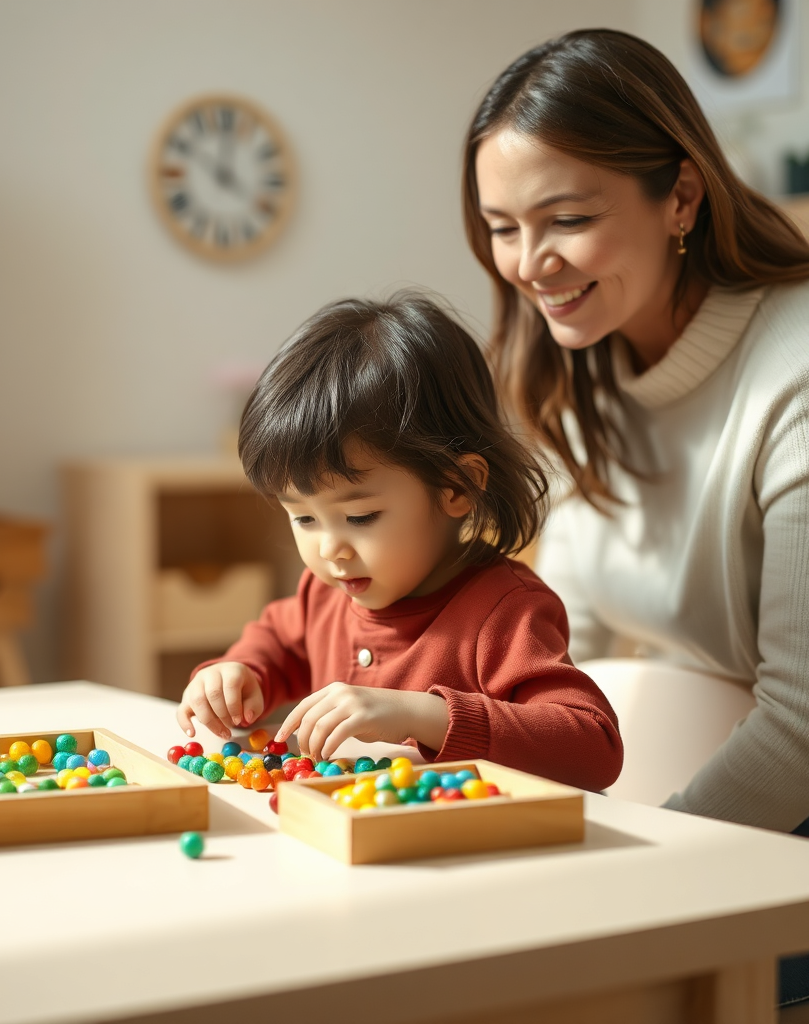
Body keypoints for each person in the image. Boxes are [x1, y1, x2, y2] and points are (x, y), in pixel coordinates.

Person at [462, 28, 809, 1005]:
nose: (528, 264)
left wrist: (640, 875)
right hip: (702, 803)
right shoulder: (586, 364)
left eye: (564, 218)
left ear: (682, 198)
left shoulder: (794, 372)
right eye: (499, 226)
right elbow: (565, 639)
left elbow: (801, 727)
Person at [176, 293, 623, 793]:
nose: (330, 549)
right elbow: (277, 643)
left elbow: (594, 747)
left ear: (456, 487)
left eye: (359, 516)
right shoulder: (325, 593)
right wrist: (236, 673)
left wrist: (424, 715)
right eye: (303, 518)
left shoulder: (506, 613)